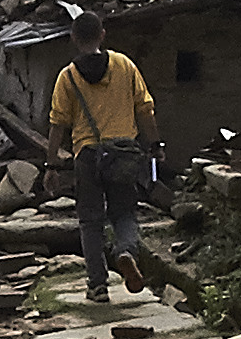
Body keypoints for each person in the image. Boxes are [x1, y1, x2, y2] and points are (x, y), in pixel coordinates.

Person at [46, 16, 160, 306]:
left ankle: (97, 285)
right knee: (124, 213)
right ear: (103, 34)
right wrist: (155, 145)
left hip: (87, 156)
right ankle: (126, 252)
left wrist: (51, 165)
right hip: (123, 152)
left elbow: (57, 123)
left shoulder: (67, 76)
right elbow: (145, 110)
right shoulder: (124, 65)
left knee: (90, 222)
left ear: (73, 37)